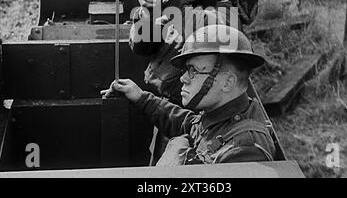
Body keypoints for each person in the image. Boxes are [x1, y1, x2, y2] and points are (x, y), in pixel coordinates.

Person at [101, 24, 276, 165]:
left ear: (227, 82)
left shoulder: (244, 150)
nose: (183, 78)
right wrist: (141, 97)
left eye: (193, 71)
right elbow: (191, 126)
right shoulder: (223, 114)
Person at [129, 0, 257, 106]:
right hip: (166, 108)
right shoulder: (182, 6)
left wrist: (174, 3)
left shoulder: (225, 13)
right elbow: (140, 46)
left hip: (195, 118)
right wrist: (148, 10)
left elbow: (208, 29)